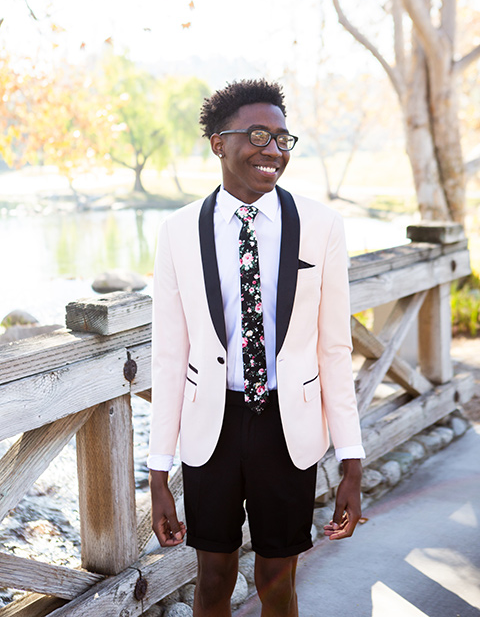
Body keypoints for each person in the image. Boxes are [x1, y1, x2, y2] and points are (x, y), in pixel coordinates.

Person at [148, 79, 365, 617]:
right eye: (258, 135)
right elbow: (170, 356)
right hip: (211, 426)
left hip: (287, 426)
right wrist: (158, 473)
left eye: (283, 140)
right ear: (219, 143)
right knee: (213, 578)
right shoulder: (178, 231)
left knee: (277, 580)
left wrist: (352, 462)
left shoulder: (321, 225)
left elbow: (335, 348)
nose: (272, 151)